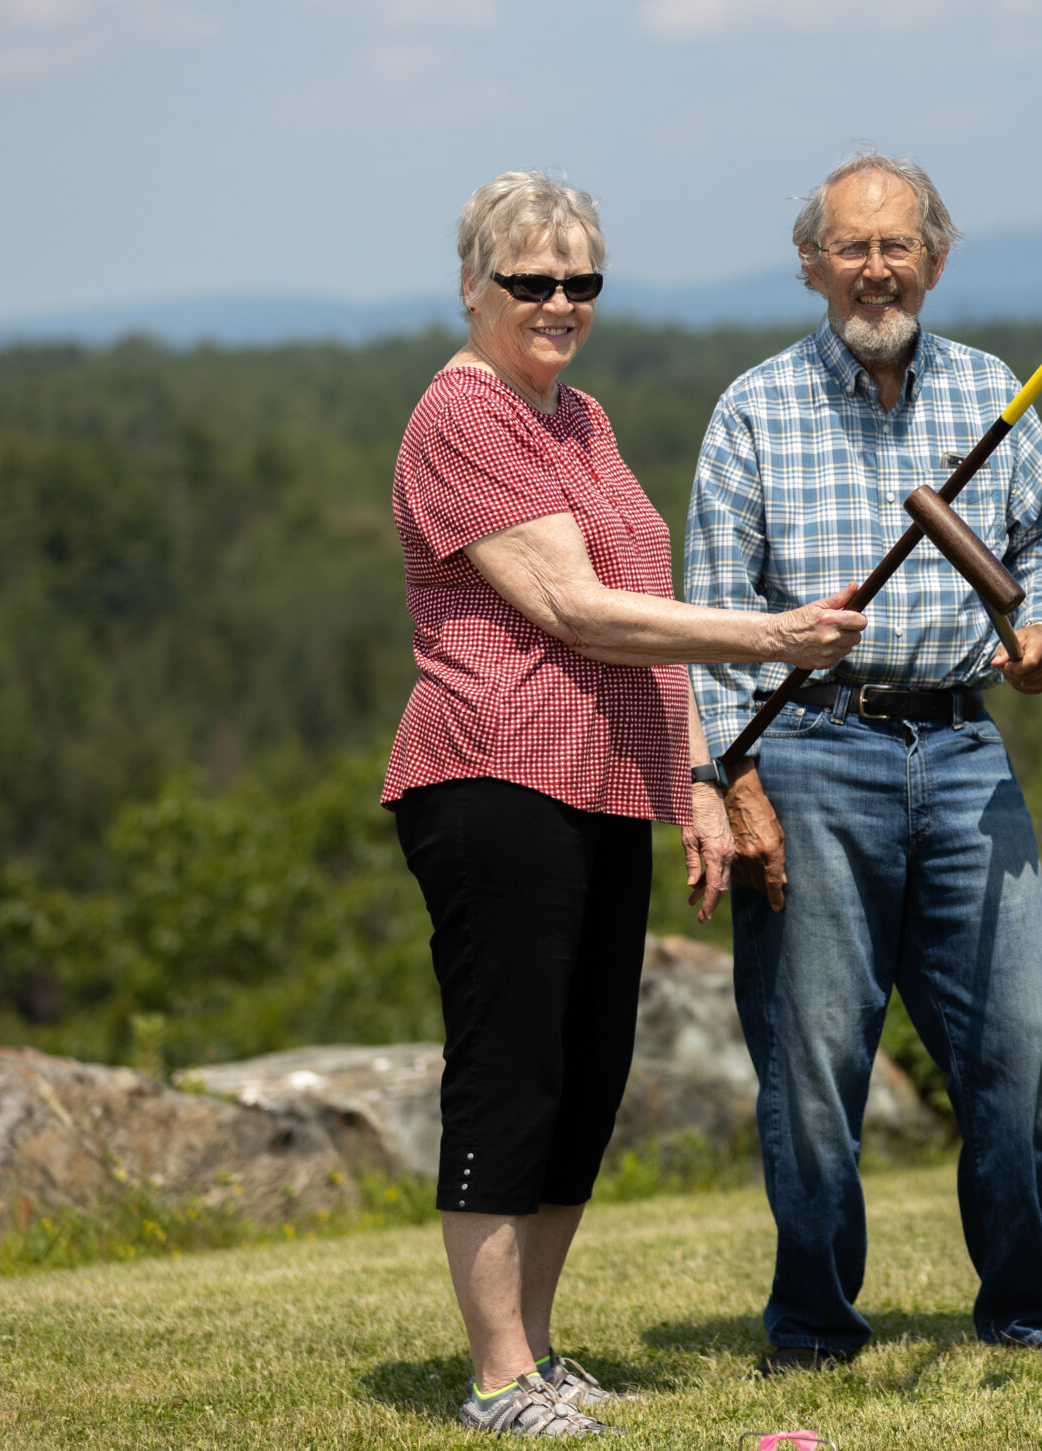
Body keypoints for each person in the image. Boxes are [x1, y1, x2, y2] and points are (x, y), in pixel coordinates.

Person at [385, 171, 870, 1435]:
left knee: (589, 1070)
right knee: (514, 1068)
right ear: (473, 286)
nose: (558, 303)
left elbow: (632, 633)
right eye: (530, 282)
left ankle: (538, 1354)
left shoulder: (579, 421)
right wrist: (768, 638)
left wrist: (698, 781)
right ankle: (495, 1377)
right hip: (493, 778)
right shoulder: (465, 414)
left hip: (602, 785)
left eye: (580, 282)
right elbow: (577, 610)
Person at [684, 152, 1042, 1371]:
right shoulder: (755, 411)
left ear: (933, 256)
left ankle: (1030, 1314)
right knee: (814, 1065)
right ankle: (816, 1327)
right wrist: (737, 779)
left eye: (896, 245)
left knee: (1021, 1050)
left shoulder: (990, 392)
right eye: (849, 246)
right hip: (812, 751)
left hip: (966, 748)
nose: (875, 267)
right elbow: (713, 619)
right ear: (812, 265)